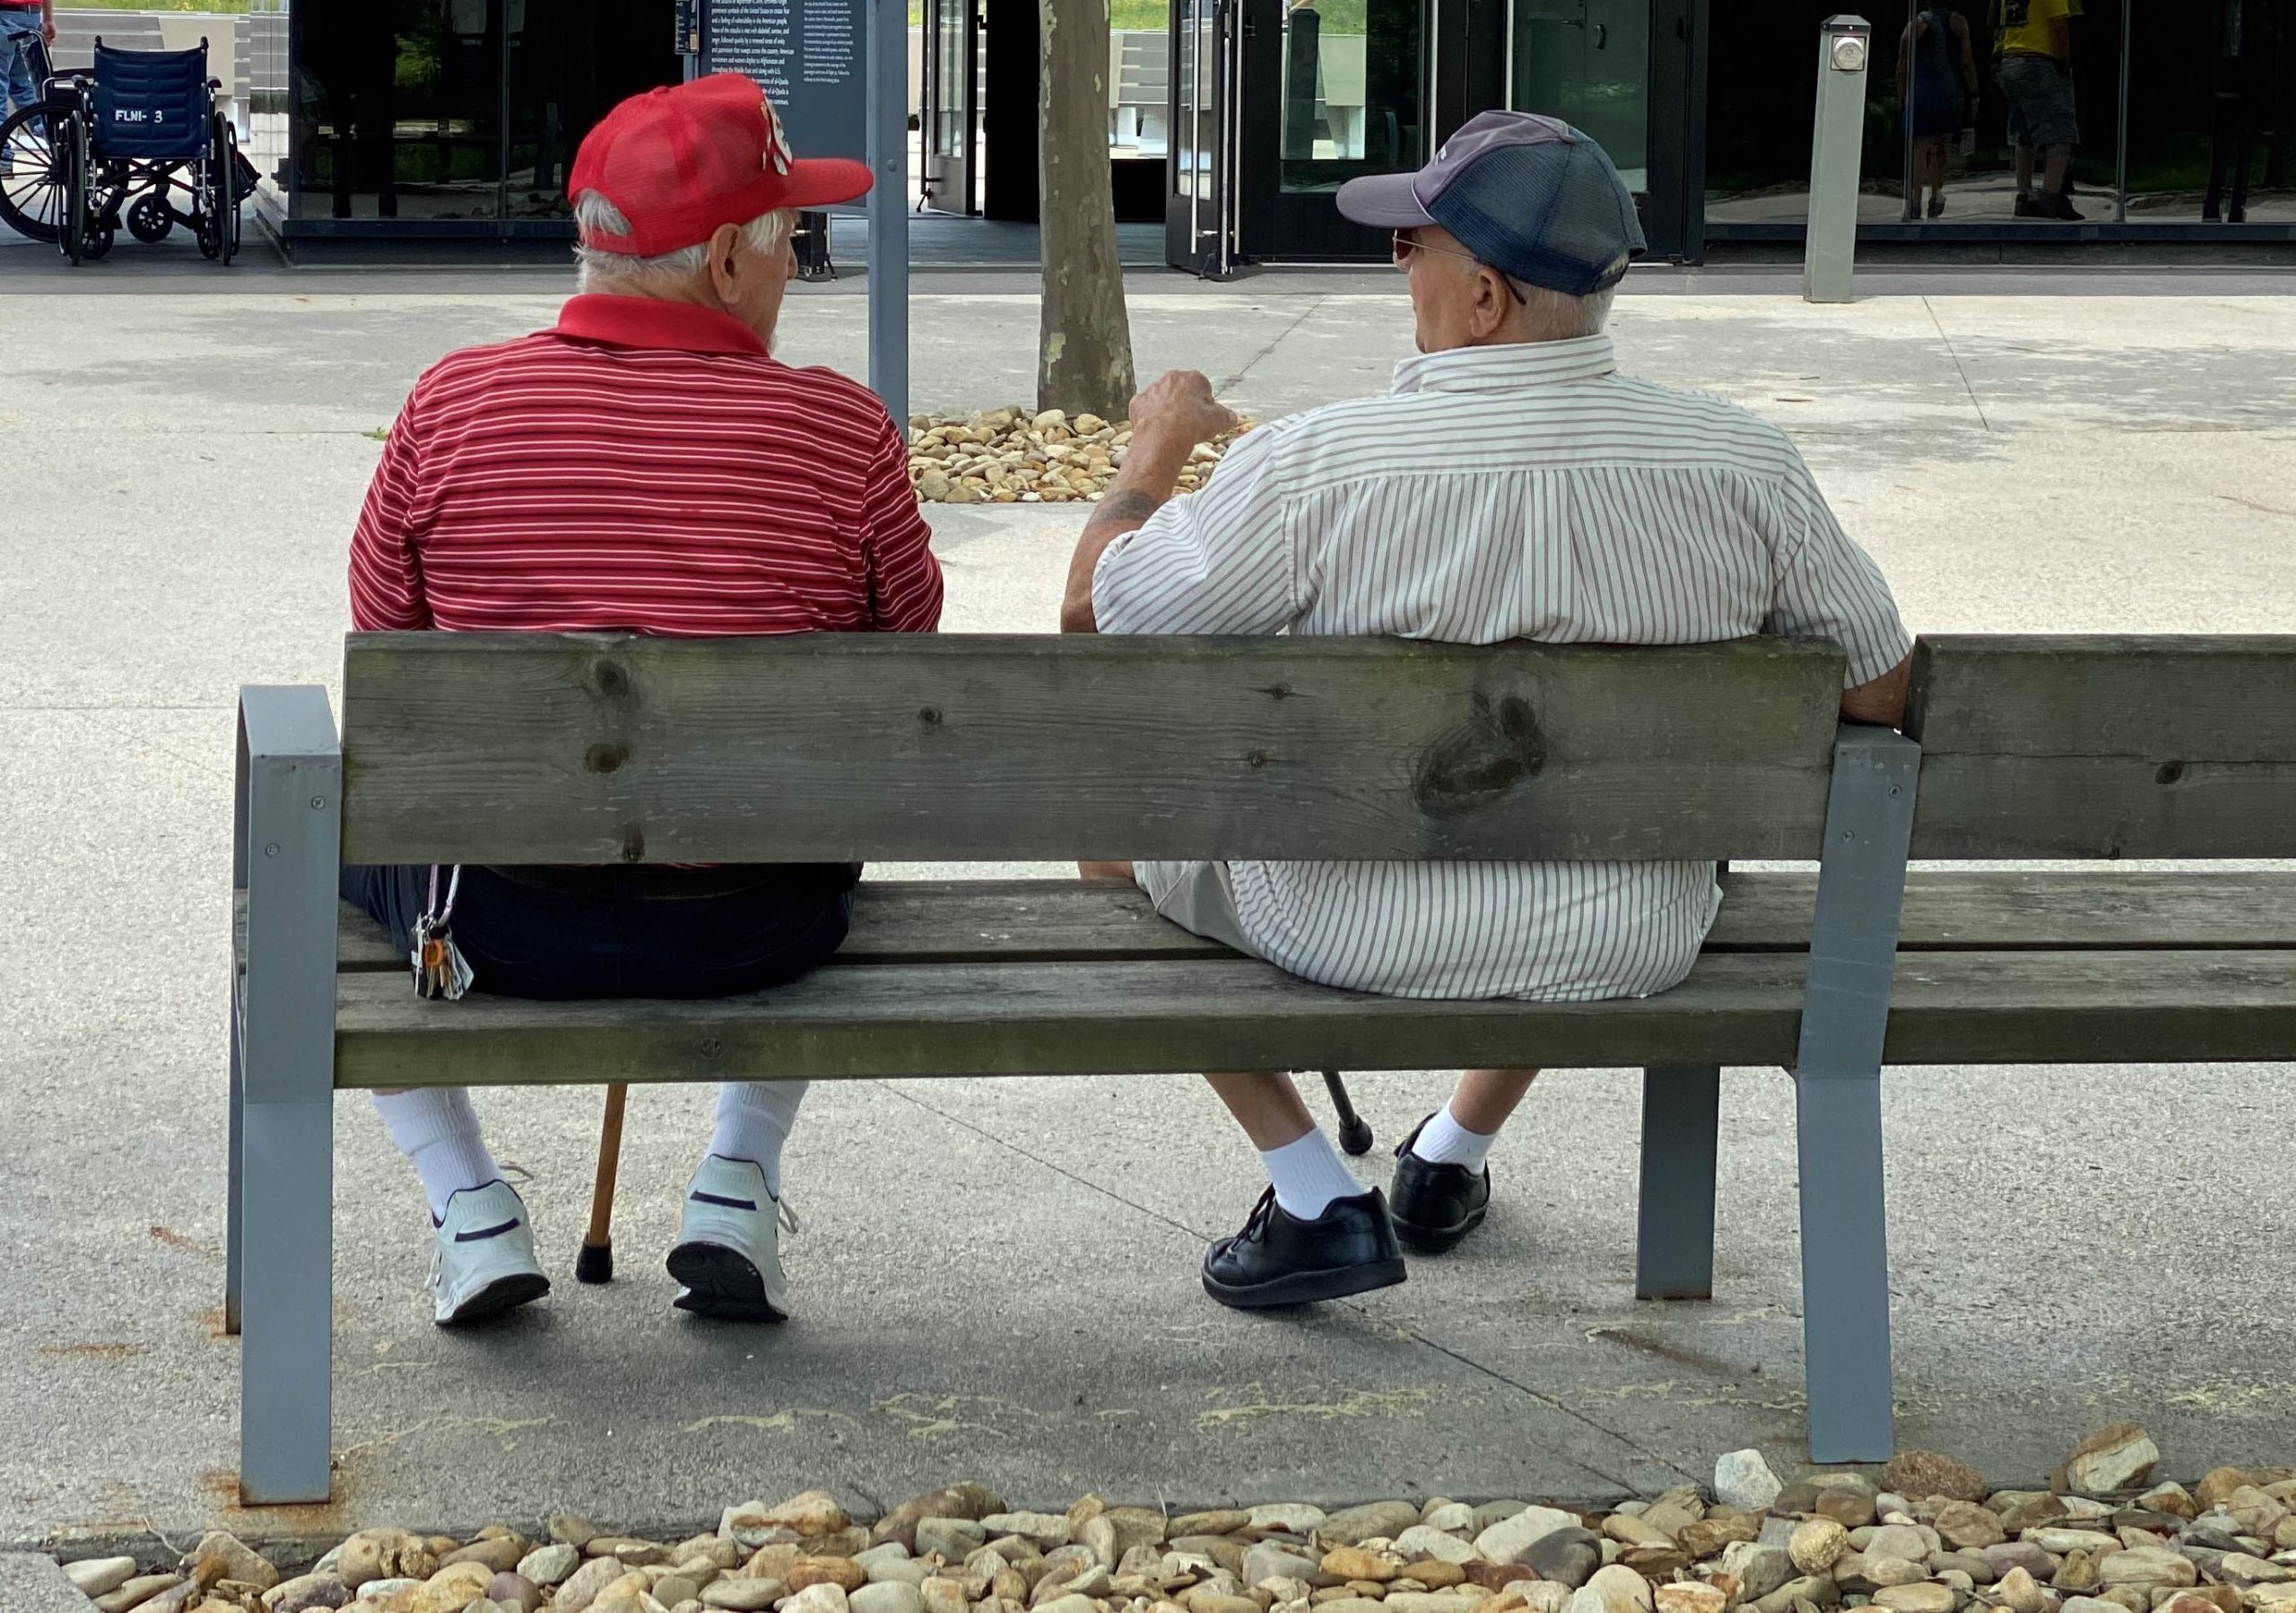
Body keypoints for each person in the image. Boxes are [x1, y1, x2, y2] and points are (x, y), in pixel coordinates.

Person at [1060, 111, 1912, 1309]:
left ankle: (1313, 1189)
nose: (1396, 260)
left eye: (1417, 242)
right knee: (1590, 826)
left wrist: (1151, 456)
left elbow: (1094, 613)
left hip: (1339, 925)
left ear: (1488, 301)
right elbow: (1880, 687)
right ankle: (1450, 1153)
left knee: (1103, 814)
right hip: (1628, 936)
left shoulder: (1318, 466)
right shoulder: (1744, 465)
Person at [344, 74, 943, 1329]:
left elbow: (389, 650)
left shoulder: (447, 408)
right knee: (820, 788)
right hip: (759, 923)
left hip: (500, 920)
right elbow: (906, 660)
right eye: (793, 237)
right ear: (727, 260)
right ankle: (737, 1176)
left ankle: (469, 1207)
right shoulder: (842, 435)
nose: (796, 265)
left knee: (293, 820)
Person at [1992, 0, 2084, 220]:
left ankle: (2024, 195)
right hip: (2039, 62)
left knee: (2025, 135)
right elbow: (2060, 26)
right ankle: (2051, 197)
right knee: (2061, 134)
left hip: (2010, 62)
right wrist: (2065, 64)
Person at [1897, 0, 1978, 218]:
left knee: (1919, 146)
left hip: (1921, 94)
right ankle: (1936, 193)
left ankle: (1914, 199)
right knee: (1942, 145)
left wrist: (1902, 98)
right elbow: (1966, 61)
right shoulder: (1958, 22)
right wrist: (1973, 92)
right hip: (1950, 94)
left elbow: (1902, 66)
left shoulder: (1915, 26)